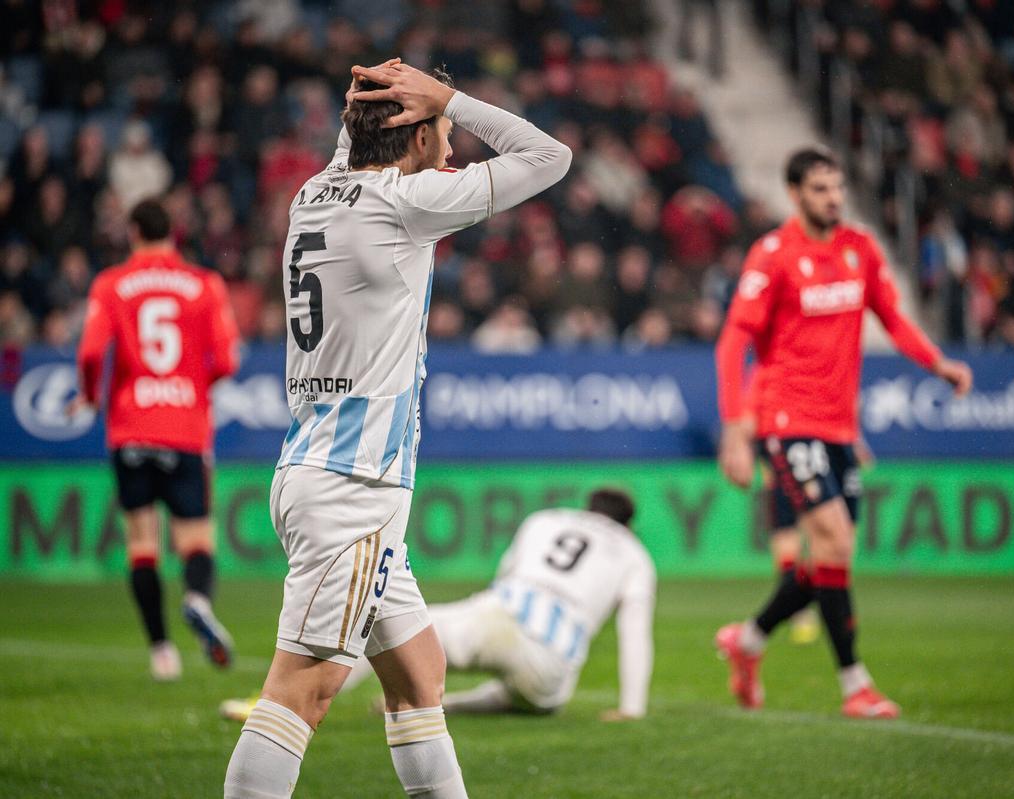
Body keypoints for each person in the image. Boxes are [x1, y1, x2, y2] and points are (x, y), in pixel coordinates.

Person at [222, 59, 570, 799]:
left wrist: (381, 99)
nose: (451, 147)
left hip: (323, 472)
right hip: (353, 486)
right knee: (302, 693)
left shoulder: (316, 193)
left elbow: (361, 146)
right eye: (441, 132)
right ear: (413, 138)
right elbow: (550, 157)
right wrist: (454, 96)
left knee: (421, 677)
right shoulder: (406, 202)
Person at [713, 147, 972, 718]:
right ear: (795, 194)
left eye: (837, 188)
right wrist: (736, 430)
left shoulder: (860, 249)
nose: (834, 199)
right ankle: (856, 685)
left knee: (834, 554)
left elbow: (893, 317)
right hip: (786, 419)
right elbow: (733, 342)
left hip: (839, 424)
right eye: (821, 189)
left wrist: (939, 363)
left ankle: (749, 641)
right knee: (833, 540)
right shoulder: (774, 255)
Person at [220, 488, 655, 723]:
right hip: (549, 661)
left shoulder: (547, 519)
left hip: (496, 616)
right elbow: (635, 635)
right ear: (627, 523)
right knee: (542, 701)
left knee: (381, 632)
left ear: (589, 508)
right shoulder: (634, 554)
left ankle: (276, 707)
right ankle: (454, 704)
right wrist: (631, 708)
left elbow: (505, 576)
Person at [75, 198, 241, 681]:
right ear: (175, 233)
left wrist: (91, 397)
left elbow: (89, 354)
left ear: (133, 233)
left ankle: (162, 653)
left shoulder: (111, 284)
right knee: (195, 539)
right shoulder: (204, 284)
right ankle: (197, 599)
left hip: (130, 427)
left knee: (142, 542)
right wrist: (191, 392)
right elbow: (228, 361)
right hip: (185, 429)